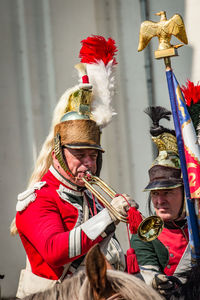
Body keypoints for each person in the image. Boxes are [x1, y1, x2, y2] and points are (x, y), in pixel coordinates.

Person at [12, 35, 136, 298]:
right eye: (80, 154)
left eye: (93, 155)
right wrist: (108, 216)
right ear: (58, 151)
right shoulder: (38, 198)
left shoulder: (93, 196)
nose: (88, 163)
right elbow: (54, 251)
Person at [131, 106, 190, 298]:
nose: (159, 200)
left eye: (167, 192)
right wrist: (157, 281)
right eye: (155, 193)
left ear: (185, 192)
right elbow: (152, 278)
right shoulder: (145, 235)